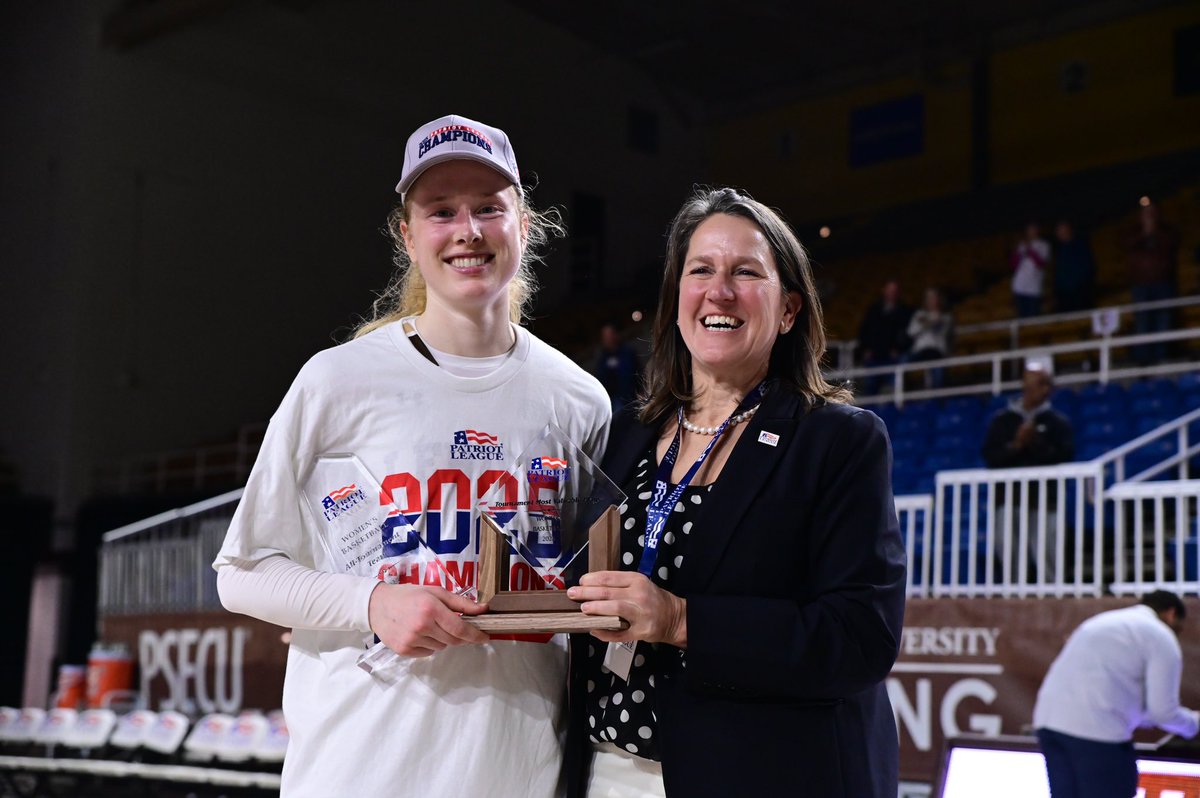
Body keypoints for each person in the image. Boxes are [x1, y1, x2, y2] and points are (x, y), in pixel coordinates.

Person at [212, 114, 611, 797]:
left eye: (490, 208)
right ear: (407, 234)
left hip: (514, 772)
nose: (468, 230)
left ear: (524, 223)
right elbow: (241, 573)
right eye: (441, 211)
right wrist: (370, 603)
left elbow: (580, 598)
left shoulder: (579, 400)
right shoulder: (337, 380)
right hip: (359, 770)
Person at [564, 187, 907, 797]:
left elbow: (859, 638)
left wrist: (680, 619)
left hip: (760, 773)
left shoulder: (838, 441)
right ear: (676, 302)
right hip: (605, 771)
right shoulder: (624, 436)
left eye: (745, 272)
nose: (719, 290)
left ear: (789, 311)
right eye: (701, 270)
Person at [1033, 591, 1199, 798]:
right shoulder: (1160, 636)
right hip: (1095, 732)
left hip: (1049, 725)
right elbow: (1163, 712)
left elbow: (1106, 688)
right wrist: (1193, 724)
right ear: (1171, 614)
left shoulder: (1101, 622)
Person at [981, 363, 1075, 582]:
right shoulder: (1002, 420)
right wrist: (1015, 445)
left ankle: (1054, 598)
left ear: (1047, 389)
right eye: (1029, 385)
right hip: (1008, 498)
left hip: (1045, 499)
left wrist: (1035, 442)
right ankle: (1011, 594)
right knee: (1007, 550)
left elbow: (1065, 456)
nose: (1033, 390)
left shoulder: (1057, 422)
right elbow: (990, 456)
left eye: (1039, 386)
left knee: (1048, 555)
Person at [1122, 201, 1180, 365]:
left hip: (1163, 283)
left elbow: (1172, 244)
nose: (1149, 216)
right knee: (1142, 321)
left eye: (1152, 212)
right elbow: (1126, 245)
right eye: (1146, 212)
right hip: (1140, 285)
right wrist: (1145, 233)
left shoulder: (1166, 231)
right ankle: (1144, 360)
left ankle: (1162, 357)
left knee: (1164, 320)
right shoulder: (1133, 232)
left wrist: (1155, 231)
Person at [855, 278, 912, 394]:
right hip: (873, 355)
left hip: (892, 357)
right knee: (870, 386)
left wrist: (898, 349)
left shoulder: (905, 311)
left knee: (893, 388)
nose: (892, 293)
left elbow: (908, 335)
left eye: (895, 290)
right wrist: (865, 349)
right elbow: (864, 331)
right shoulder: (873, 310)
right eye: (890, 290)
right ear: (884, 291)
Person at [906, 286, 954, 389]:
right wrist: (927, 324)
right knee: (902, 361)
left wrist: (929, 323)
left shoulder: (946, 317)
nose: (932, 301)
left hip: (937, 351)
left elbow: (943, 333)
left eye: (934, 298)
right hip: (920, 351)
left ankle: (935, 397)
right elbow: (911, 332)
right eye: (929, 298)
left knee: (937, 369)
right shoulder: (919, 314)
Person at [592, 322, 642, 413]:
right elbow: (602, 381)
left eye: (610, 334)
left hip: (634, 395)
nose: (608, 338)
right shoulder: (603, 360)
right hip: (617, 401)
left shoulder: (627, 351)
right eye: (605, 336)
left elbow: (637, 371)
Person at [1052, 220, 1096, 313]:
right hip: (1063, 295)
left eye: (1063, 230)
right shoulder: (1058, 249)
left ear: (1069, 230)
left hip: (1079, 293)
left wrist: (1082, 287)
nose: (1060, 233)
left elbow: (1087, 268)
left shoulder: (1080, 246)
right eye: (1058, 231)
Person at [1011, 222, 1050, 318]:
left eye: (1034, 229)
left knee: (1033, 319)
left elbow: (1041, 263)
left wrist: (1030, 249)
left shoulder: (1043, 245)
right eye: (1030, 229)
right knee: (1021, 318)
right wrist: (1019, 252)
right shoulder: (1021, 244)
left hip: (1033, 289)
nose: (1032, 232)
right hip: (1019, 287)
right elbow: (1014, 265)